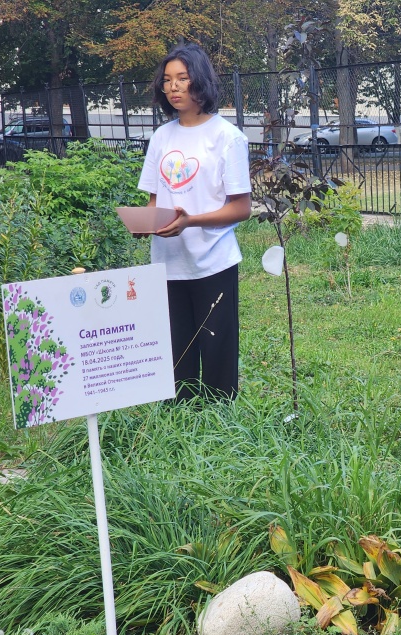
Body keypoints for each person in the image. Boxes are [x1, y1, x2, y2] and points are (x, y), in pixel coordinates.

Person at [138, 42, 252, 401]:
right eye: (167, 80)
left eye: (182, 79)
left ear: (199, 81)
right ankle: (180, 424)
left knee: (217, 354)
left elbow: (242, 208)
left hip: (213, 261)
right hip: (168, 264)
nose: (172, 87)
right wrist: (145, 221)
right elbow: (155, 201)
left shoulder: (227, 138)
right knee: (176, 355)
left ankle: (220, 424)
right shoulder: (161, 136)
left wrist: (191, 222)